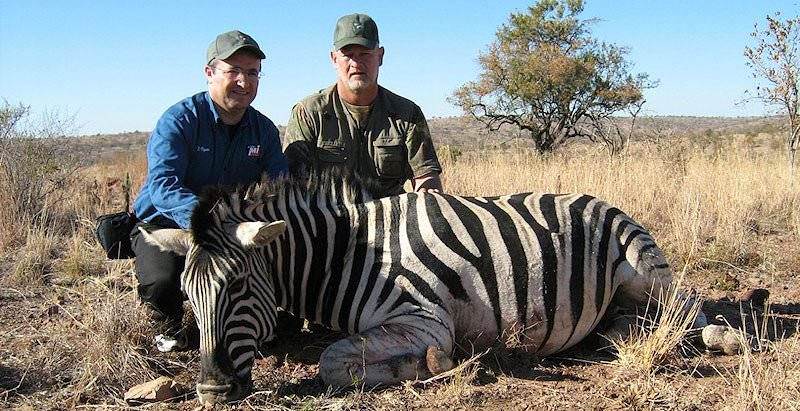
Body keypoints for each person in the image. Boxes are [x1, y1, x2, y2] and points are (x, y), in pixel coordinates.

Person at [130, 30, 288, 351]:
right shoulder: (179, 120)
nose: (244, 81)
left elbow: (278, 187)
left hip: (232, 229)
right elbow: (163, 186)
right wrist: (213, 222)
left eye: (253, 72)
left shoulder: (265, 130)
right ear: (209, 73)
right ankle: (170, 329)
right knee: (162, 281)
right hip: (169, 225)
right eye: (233, 71)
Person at [283, 13, 443, 197]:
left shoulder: (407, 113)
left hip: (394, 220)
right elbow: (294, 186)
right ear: (334, 59)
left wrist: (429, 195)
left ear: (380, 56)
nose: (356, 63)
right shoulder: (308, 113)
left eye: (365, 54)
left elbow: (426, 177)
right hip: (331, 221)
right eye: (348, 55)